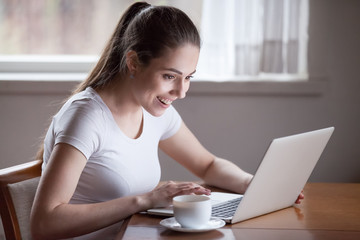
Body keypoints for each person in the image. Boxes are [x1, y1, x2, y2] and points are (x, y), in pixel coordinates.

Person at [30, 2, 304, 239]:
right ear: (134, 62)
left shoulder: (154, 109)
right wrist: (145, 200)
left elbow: (208, 165)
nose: (181, 92)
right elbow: (45, 223)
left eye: (188, 77)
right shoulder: (86, 117)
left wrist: (253, 185)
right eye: (170, 76)